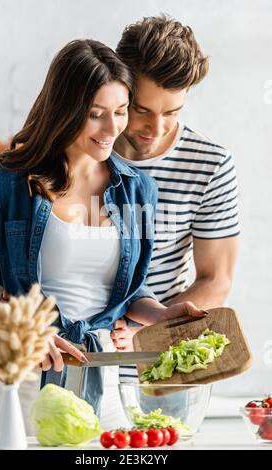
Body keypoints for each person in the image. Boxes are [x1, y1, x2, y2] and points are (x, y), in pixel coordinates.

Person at [0, 38, 204, 434]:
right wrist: (20, 332)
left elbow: (130, 290)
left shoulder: (138, 190)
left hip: (106, 381)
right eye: (97, 114)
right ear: (64, 110)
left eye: (120, 111)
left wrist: (162, 315)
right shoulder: (2, 186)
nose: (113, 128)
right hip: (28, 378)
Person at [110, 16, 240, 384]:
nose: (156, 129)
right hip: (71, 364)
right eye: (142, 110)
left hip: (158, 367)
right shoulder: (80, 153)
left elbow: (217, 279)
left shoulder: (210, 164)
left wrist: (147, 329)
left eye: (172, 112)